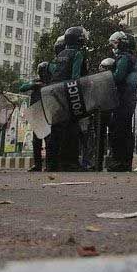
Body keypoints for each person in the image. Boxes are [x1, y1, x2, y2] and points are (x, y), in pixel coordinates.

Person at [49, 27, 88, 171]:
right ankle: (70, 162)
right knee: (72, 128)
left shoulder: (60, 54)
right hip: (69, 94)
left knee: (56, 129)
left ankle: (52, 163)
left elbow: (54, 72)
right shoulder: (78, 54)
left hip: (55, 92)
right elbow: (76, 76)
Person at [106, 32, 137, 171]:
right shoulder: (130, 57)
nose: (113, 47)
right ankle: (123, 161)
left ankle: (120, 162)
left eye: (115, 43)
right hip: (126, 98)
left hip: (123, 98)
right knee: (123, 129)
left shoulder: (124, 58)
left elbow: (118, 77)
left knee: (119, 129)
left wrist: (106, 76)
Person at [19, 62, 52, 172]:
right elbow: (22, 87)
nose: (43, 74)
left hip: (47, 113)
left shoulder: (51, 83)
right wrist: (34, 85)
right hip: (37, 113)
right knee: (36, 140)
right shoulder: (35, 82)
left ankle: (48, 164)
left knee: (48, 140)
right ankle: (37, 165)